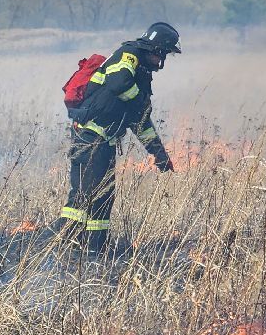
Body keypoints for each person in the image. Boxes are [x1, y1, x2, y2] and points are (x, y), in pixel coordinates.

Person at [57, 22, 178, 252]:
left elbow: (140, 123)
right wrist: (138, 103)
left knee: (103, 198)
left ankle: (95, 251)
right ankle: (65, 249)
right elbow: (118, 82)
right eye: (164, 54)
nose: (163, 61)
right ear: (157, 50)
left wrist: (159, 154)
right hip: (90, 137)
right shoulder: (129, 54)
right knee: (83, 195)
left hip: (105, 144)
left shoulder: (141, 76)